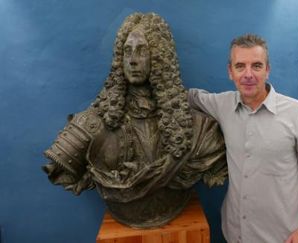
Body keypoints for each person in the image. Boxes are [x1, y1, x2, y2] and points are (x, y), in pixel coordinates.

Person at [42, 12, 227, 228]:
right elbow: (61, 169)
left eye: (141, 51)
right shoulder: (92, 124)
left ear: (158, 58)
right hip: (122, 217)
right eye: (127, 51)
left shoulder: (197, 129)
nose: (132, 60)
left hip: (176, 212)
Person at [188, 34, 298, 243]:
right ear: (230, 72)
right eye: (240, 66)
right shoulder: (222, 105)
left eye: (256, 66)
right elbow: (188, 97)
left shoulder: (296, 114)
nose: (248, 74)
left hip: (281, 238)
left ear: (267, 70)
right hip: (233, 234)